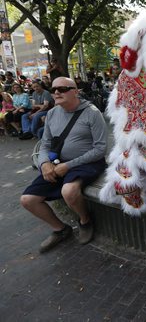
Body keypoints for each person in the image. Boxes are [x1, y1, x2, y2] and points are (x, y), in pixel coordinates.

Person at [20, 77, 107, 253]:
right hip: (57, 163)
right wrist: (44, 163)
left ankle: (85, 221)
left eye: (62, 89)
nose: (56, 93)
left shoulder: (92, 112)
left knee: (68, 191)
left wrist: (68, 166)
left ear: (75, 91)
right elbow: (45, 144)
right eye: (53, 90)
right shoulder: (52, 113)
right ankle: (60, 229)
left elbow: (100, 149)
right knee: (27, 200)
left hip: (86, 163)